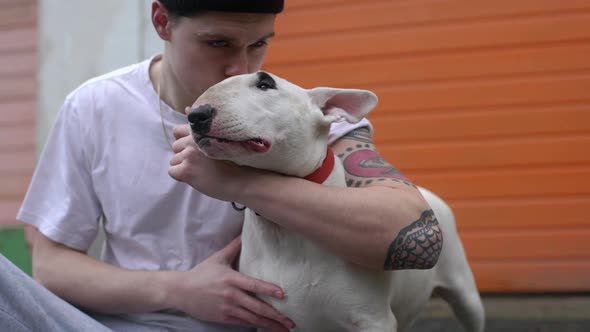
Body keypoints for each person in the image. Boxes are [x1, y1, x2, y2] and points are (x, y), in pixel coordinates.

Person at [9, 0, 442, 331]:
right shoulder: (93, 106)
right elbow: (51, 266)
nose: (239, 66)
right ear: (161, 21)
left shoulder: (295, 118)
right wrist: (178, 290)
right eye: (218, 43)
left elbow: (416, 237)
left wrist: (241, 184)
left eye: (259, 44)